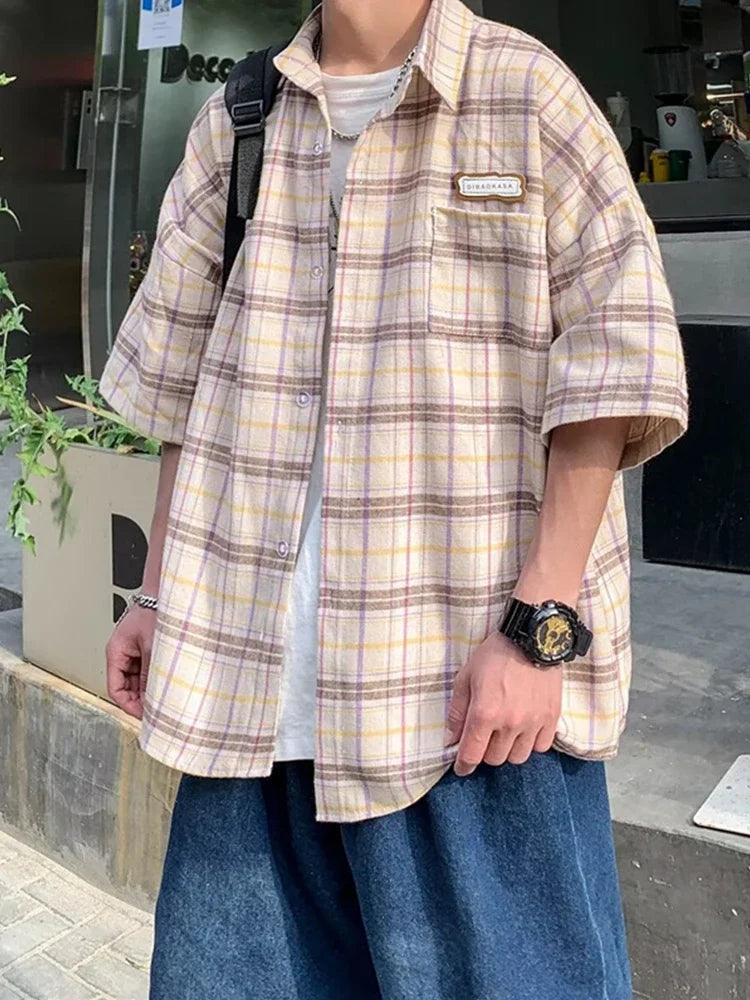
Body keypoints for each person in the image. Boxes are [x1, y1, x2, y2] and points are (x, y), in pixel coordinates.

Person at [99, 1, 688, 997]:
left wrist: (540, 628)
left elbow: (616, 368)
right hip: (254, 706)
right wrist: (155, 595)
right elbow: (182, 392)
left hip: (467, 711)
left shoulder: (524, 93)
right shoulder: (239, 118)